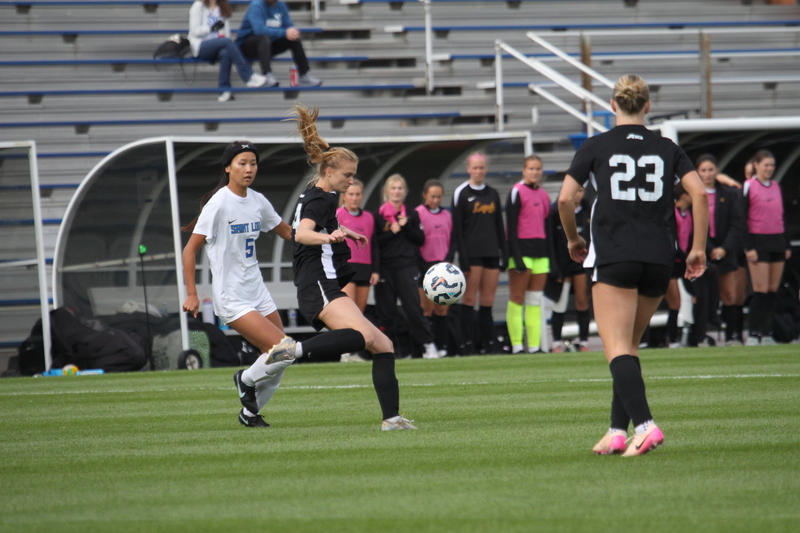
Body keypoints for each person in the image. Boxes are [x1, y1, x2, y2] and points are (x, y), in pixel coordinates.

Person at [558, 74, 708, 456]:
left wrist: (574, 239)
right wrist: (698, 249)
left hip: (615, 253)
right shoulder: (667, 146)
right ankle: (616, 430)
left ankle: (645, 426)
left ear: (612, 106)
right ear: (647, 106)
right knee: (627, 346)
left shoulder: (597, 145)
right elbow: (699, 193)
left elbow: (564, 199)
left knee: (616, 347)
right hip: (660, 258)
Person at [262, 104, 415, 430]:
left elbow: (311, 229)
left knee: (383, 345)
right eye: (347, 175)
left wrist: (342, 232)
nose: (351, 180)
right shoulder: (322, 197)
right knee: (360, 336)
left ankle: (392, 419)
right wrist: (328, 237)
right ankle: (293, 350)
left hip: (324, 282)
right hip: (317, 282)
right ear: (329, 172)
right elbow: (301, 234)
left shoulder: (320, 194)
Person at [181, 140, 294, 428]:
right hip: (232, 298)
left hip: (258, 292)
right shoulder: (218, 204)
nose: (248, 169)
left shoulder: (257, 200)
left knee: (284, 357)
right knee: (283, 349)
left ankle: (250, 414)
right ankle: (244, 379)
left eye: (253, 163)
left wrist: (327, 234)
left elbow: (287, 232)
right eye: (242, 163)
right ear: (228, 167)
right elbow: (189, 250)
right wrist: (192, 293)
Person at [374, 174, 439, 359]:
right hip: (386, 268)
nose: (397, 192)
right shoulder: (378, 215)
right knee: (387, 312)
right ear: (387, 192)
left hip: (407, 266)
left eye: (400, 188)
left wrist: (406, 226)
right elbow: (376, 243)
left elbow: (420, 240)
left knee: (413, 308)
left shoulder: (411, 213)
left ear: (405, 192)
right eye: (393, 188)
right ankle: (390, 351)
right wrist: (392, 232)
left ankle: (428, 345)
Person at [448, 153, 508, 354]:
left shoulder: (492, 193)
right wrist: (462, 259)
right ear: (468, 169)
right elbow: (457, 230)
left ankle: (488, 343)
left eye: (482, 167)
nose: (479, 171)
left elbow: (499, 226)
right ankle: (467, 344)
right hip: (472, 255)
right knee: (469, 299)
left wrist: (504, 253)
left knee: (488, 301)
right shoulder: (461, 193)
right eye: (475, 168)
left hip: (491, 252)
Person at [696, 154, 746, 346]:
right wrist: (708, 248)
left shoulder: (727, 193)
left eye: (710, 170)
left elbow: (736, 223)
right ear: (697, 172)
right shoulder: (694, 194)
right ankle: (702, 335)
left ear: (717, 171)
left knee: (730, 294)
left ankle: (732, 335)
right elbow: (693, 225)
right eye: (703, 170)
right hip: (703, 250)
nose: (707, 174)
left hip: (725, 249)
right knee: (702, 296)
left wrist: (724, 249)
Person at [743, 149, 791, 345]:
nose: (769, 169)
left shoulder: (776, 186)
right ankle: (753, 333)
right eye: (766, 165)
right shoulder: (749, 186)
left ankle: (767, 332)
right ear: (756, 165)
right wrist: (749, 247)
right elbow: (741, 217)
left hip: (777, 241)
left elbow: (781, 217)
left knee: (773, 290)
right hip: (758, 241)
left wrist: (786, 243)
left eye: (772, 165)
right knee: (760, 290)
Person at [505, 155, 552, 354]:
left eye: (538, 168)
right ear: (524, 170)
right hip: (521, 252)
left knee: (535, 300)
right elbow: (511, 226)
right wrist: (516, 257)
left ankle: (534, 346)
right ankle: (517, 345)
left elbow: (547, 228)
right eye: (531, 168)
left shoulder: (544, 195)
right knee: (517, 298)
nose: (534, 172)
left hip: (540, 253)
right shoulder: (516, 192)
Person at [188, 0, 267, 102]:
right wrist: (210, 29)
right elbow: (194, 31)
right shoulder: (198, 5)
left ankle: (224, 91)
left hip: (218, 45)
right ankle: (248, 76)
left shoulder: (222, 8)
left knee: (226, 52)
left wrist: (221, 37)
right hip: (199, 46)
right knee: (227, 42)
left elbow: (226, 34)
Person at [336, 179, 378, 362]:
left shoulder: (369, 217)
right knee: (349, 312)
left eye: (357, 194)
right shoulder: (337, 214)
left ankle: (354, 351)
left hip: (364, 267)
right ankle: (344, 351)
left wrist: (375, 270)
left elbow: (374, 245)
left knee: (359, 314)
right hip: (346, 266)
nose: (354, 198)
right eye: (350, 194)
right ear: (344, 196)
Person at [235, 0, 322, 87]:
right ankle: (267, 74)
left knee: (294, 38)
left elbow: (288, 25)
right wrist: (285, 33)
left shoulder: (281, 5)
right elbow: (259, 30)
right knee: (264, 38)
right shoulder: (256, 5)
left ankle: (304, 74)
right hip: (246, 46)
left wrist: (292, 31)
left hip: (268, 45)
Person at [549, 184, 592, 353]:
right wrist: (555, 267)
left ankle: (584, 342)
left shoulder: (588, 211)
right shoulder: (555, 213)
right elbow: (551, 241)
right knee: (560, 304)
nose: (576, 195)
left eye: (580, 191)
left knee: (582, 302)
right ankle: (556, 343)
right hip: (562, 264)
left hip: (580, 263)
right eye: (574, 191)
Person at [416, 179, 453, 357]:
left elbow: (451, 240)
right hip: (425, 265)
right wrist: (422, 265)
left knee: (442, 308)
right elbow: (415, 241)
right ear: (424, 195)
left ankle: (442, 346)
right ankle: (428, 346)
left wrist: (448, 261)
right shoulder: (418, 213)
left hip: (443, 265)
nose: (436, 200)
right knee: (426, 308)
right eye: (432, 196)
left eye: (439, 196)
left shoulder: (447, 215)